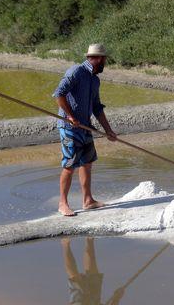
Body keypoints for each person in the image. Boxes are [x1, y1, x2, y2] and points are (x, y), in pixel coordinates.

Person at [53, 43, 117, 216]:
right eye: (104, 59)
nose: (105, 63)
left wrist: (108, 130)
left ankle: (88, 200)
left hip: (85, 126)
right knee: (69, 164)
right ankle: (62, 203)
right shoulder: (76, 72)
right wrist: (71, 117)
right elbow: (59, 94)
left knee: (87, 163)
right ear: (97, 59)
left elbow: (96, 107)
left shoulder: (95, 80)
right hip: (69, 127)